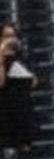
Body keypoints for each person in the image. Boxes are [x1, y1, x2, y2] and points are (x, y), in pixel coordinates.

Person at [0, 21, 36, 151]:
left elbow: (33, 82)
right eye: (5, 36)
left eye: (13, 36)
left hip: (22, 115)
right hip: (4, 114)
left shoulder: (22, 59)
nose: (10, 39)